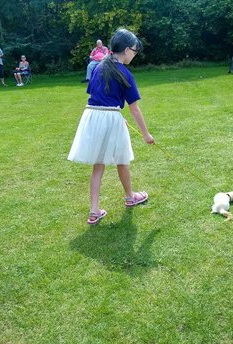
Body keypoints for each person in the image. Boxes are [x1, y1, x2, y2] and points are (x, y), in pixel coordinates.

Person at [68, 28, 155, 225]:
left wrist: (115, 116)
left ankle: (94, 211)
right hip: (107, 117)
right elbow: (134, 109)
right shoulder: (124, 73)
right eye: (134, 50)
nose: (135, 54)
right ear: (125, 50)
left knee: (98, 165)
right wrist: (146, 134)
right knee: (122, 160)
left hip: (92, 116)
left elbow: (97, 97)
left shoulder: (99, 67)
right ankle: (130, 197)